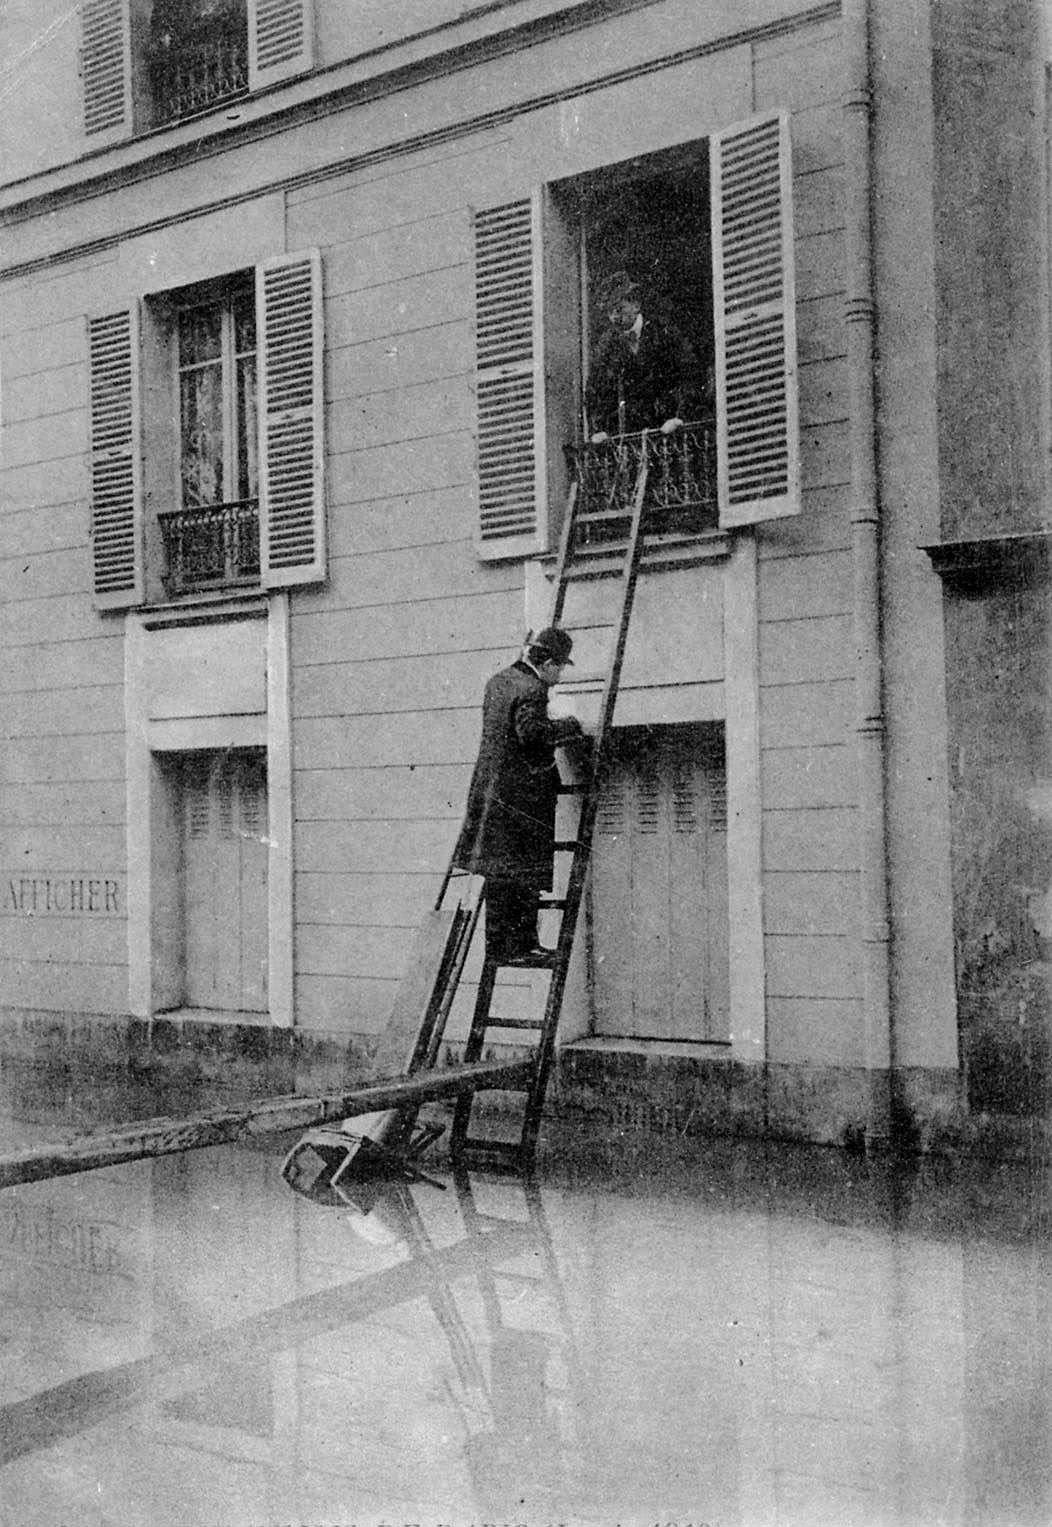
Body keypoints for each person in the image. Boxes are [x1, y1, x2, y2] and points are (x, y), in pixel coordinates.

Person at [452, 627, 585, 964]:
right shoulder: (533, 688)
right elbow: (531, 734)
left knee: (500, 875)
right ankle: (523, 947)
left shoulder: (499, 680)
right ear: (550, 663)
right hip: (520, 799)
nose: (560, 677)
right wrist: (569, 724)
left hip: (491, 794)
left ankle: (501, 948)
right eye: (561, 668)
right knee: (525, 874)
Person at [585, 270, 701, 440]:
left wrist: (680, 416)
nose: (614, 317)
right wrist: (599, 429)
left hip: (670, 428)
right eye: (610, 312)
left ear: (636, 305)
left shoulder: (663, 331)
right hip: (633, 436)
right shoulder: (607, 345)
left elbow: (690, 373)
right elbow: (595, 390)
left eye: (619, 309)